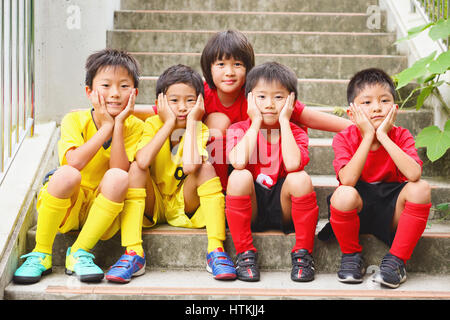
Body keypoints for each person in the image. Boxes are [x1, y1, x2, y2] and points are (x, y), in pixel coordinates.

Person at [134, 30, 352, 189]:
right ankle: (217, 193)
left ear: (248, 69)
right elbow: (160, 111)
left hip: (251, 167)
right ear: (208, 69)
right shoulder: (201, 95)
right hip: (209, 163)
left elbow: (307, 116)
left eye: (237, 64)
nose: (229, 72)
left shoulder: (258, 95)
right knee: (218, 123)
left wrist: (355, 126)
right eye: (221, 65)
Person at [13, 49, 144, 284]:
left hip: (102, 208)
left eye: (124, 86)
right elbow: (73, 161)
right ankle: (41, 253)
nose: (115, 94)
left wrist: (117, 124)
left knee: (118, 176)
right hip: (69, 206)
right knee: (66, 174)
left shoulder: (133, 126)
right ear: (89, 92)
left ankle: (79, 252)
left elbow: (119, 168)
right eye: (106, 85)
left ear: (134, 93)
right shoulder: (74, 120)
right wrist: (104, 127)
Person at [318, 68, 432, 289]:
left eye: (384, 100)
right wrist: (368, 136)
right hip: (357, 209)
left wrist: (382, 136)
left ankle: (396, 262)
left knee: (421, 188)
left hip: (391, 209)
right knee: (342, 194)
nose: (377, 107)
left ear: (395, 108)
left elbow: (413, 174)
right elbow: (348, 180)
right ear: (352, 113)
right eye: (367, 103)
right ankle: (351, 256)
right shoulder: (344, 138)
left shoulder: (401, 135)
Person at [127, 64, 237, 281]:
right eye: (174, 100)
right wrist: (168, 123)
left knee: (205, 168)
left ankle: (215, 249)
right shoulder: (151, 124)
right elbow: (143, 160)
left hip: (183, 203)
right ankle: (133, 251)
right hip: (154, 202)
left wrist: (194, 122)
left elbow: (190, 166)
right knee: (135, 169)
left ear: (199, 103)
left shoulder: (199, 128)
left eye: (190, 100)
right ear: (160, 103)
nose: (182, 107)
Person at [225, 62, 319, 282]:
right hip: (253, 207)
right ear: (249, 99)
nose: (269, 105)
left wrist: (285, 121)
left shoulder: (296, 132)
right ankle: (244, 254)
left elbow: (295, 164)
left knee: (300, 179)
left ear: (291, 101)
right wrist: (255, 122)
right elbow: (238, 162)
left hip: (283, 208)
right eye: (261, 97)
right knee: (239, 176)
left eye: (278, 97)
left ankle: (303, 254)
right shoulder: (238, 129)